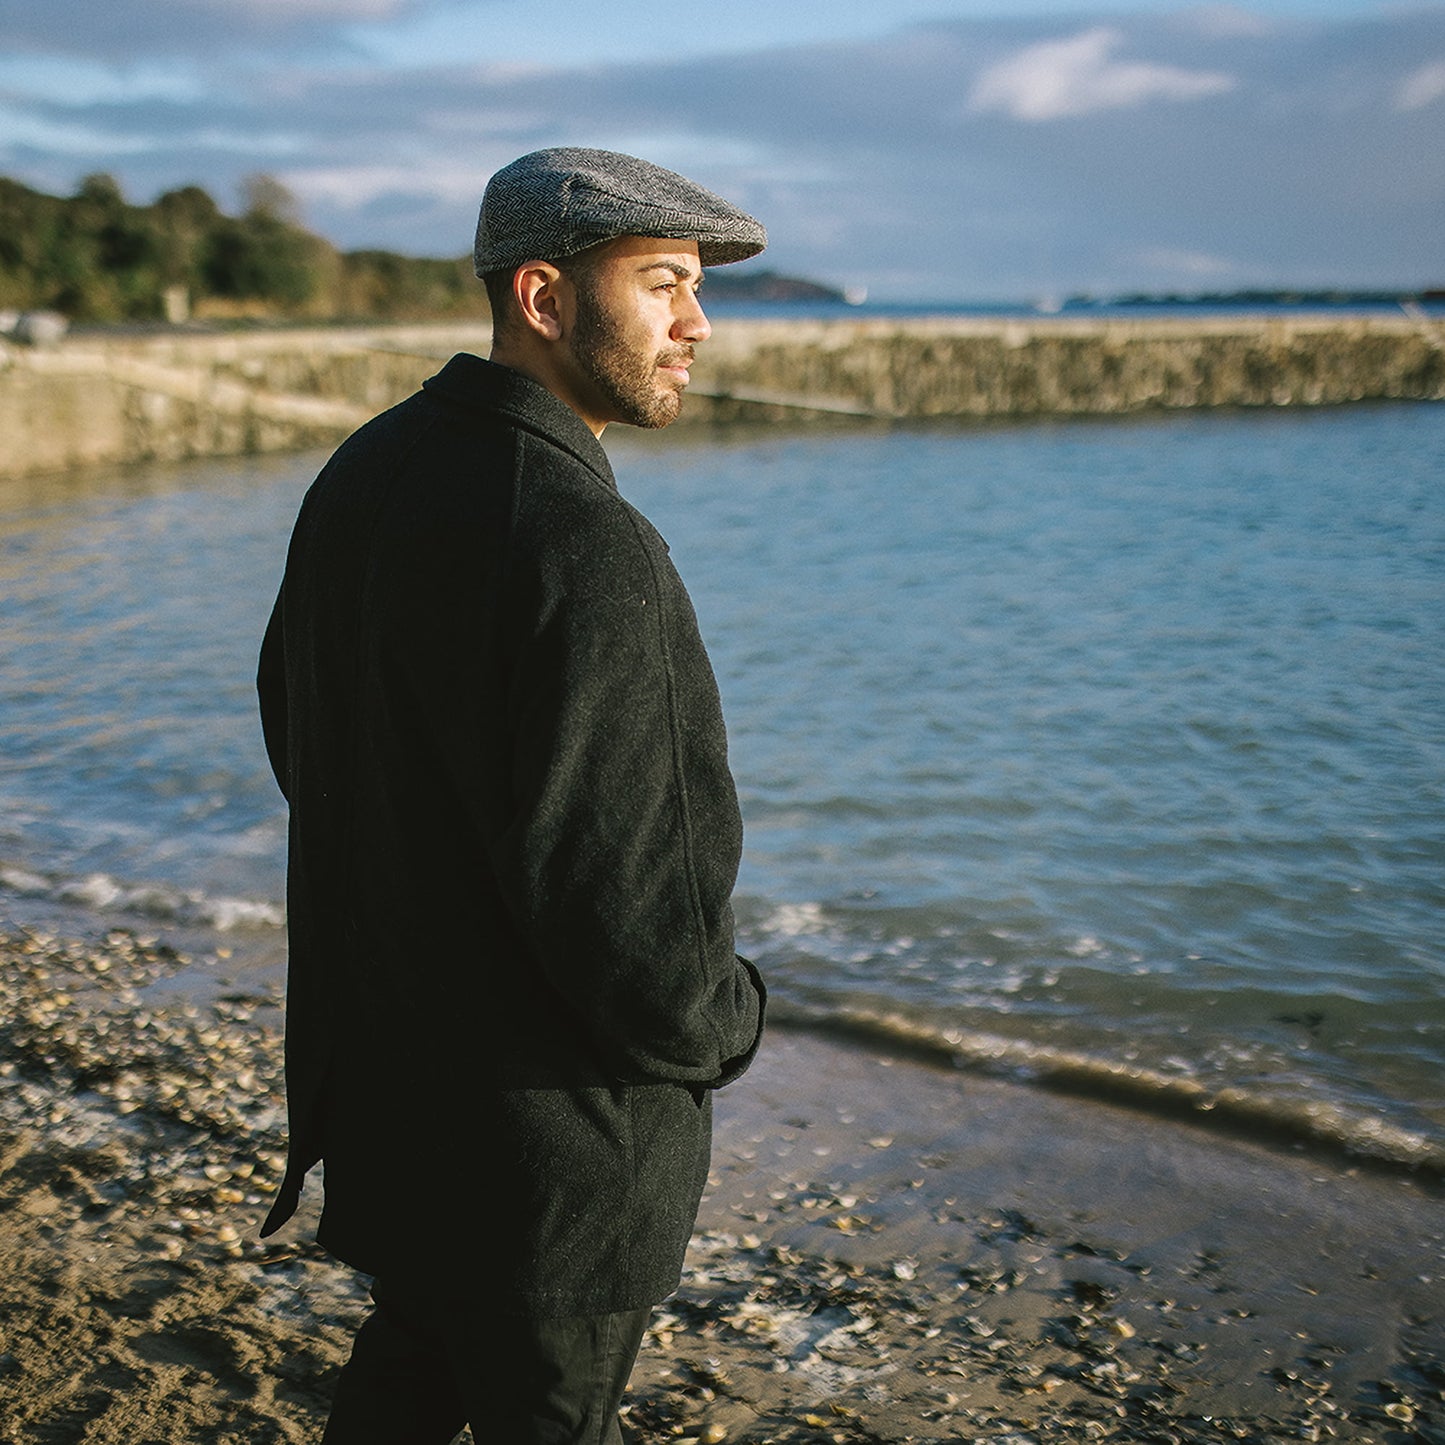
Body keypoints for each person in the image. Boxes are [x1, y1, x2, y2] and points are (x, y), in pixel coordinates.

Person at [255, 148, 768, 1443]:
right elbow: (638, 905)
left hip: (399, 1101)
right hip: (552, 1155)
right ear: (543, 298)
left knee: (409, 1378)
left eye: (697, 288)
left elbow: (304, 743)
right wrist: (728, 1021)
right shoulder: (588, 546)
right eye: (662, 283)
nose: (697, 325)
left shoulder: (365, 475)